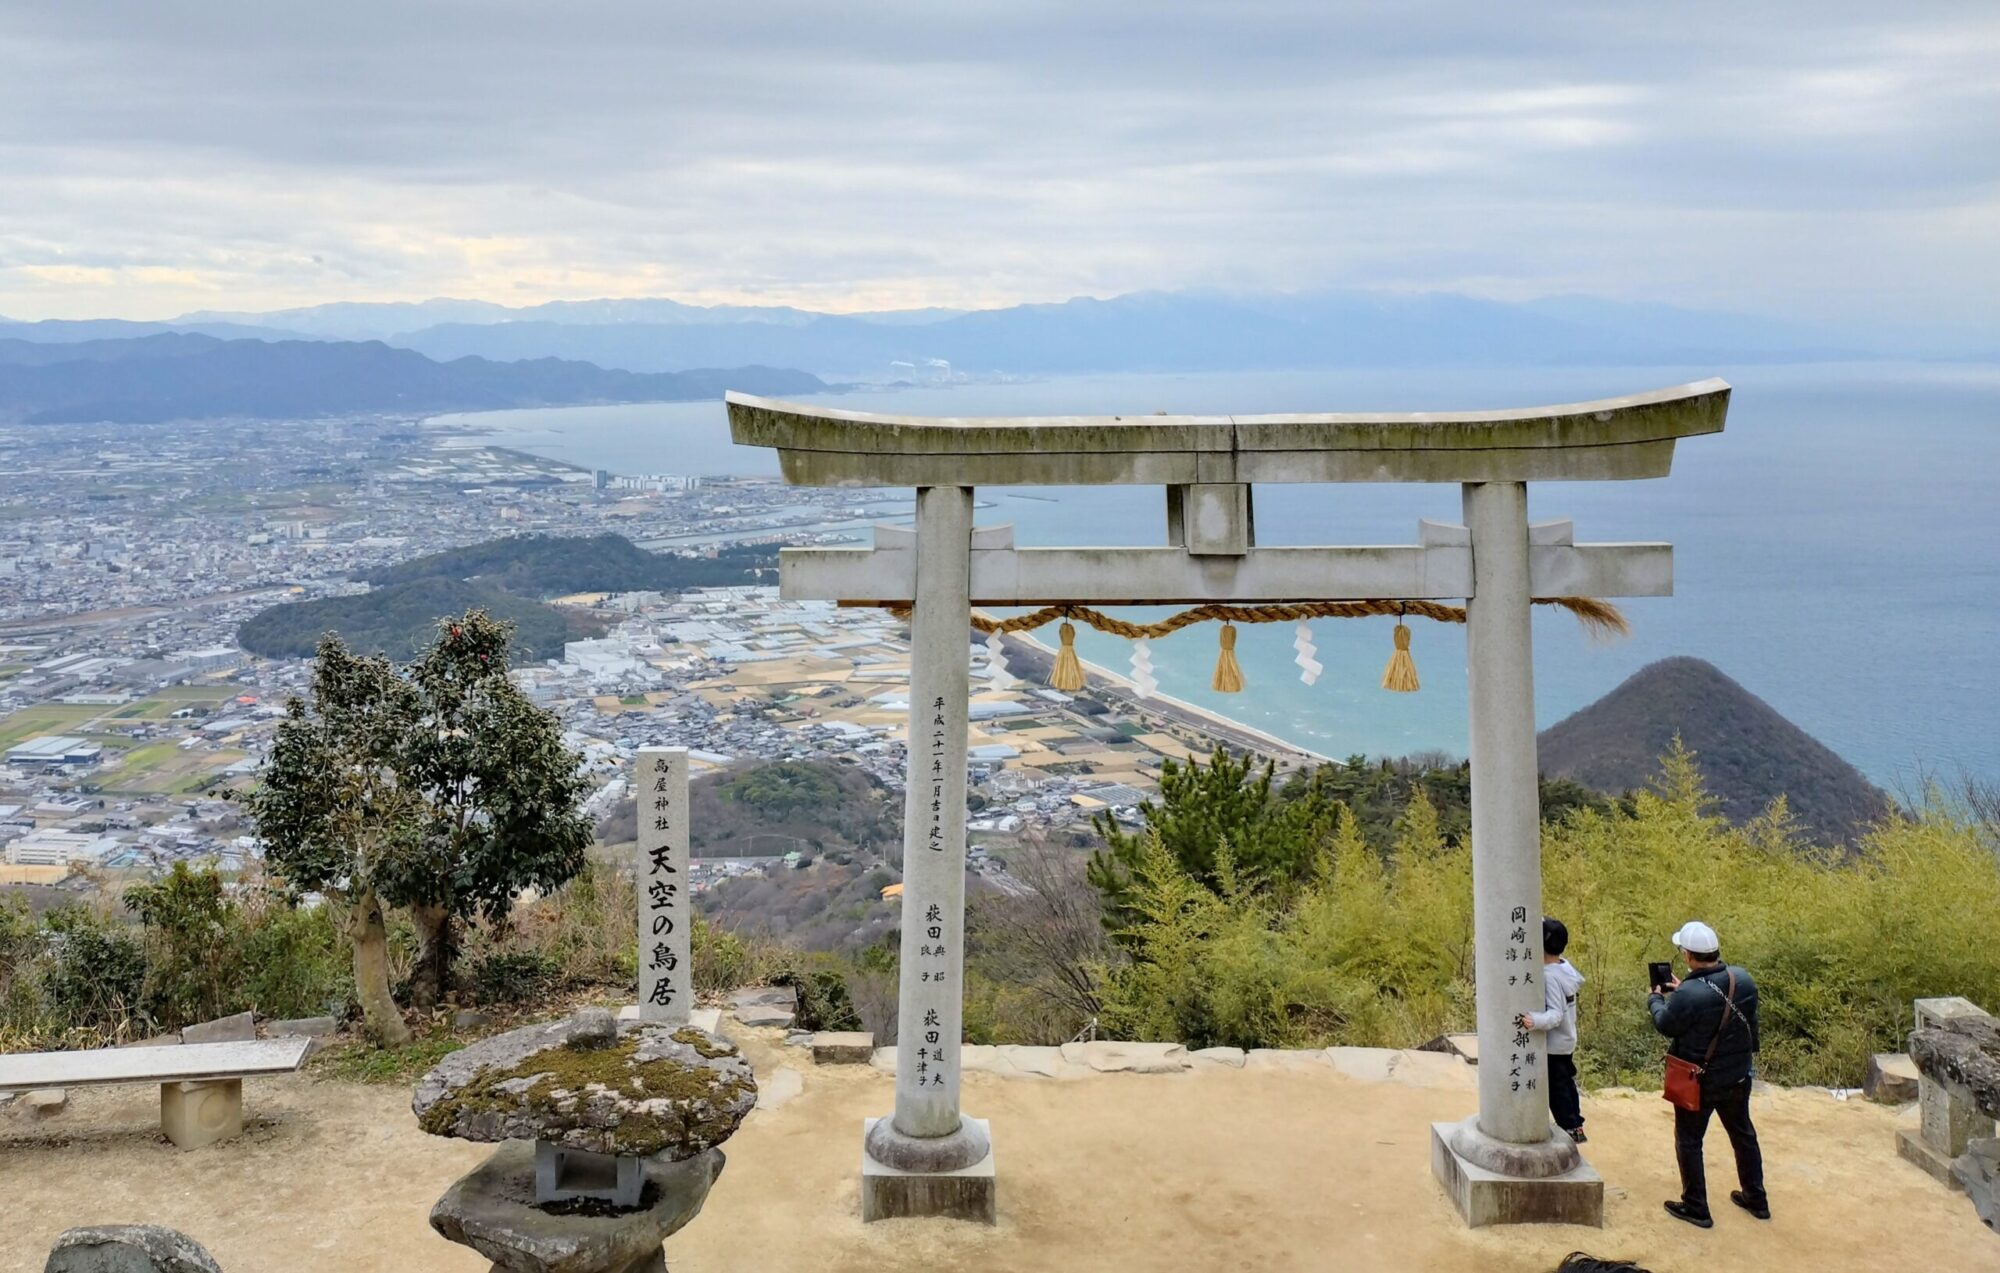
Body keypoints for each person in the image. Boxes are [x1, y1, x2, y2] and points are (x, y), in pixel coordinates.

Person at [1649, 919, 1768, 1228]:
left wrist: (1655, 999)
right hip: (1738, 1075)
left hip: (1699, 1081)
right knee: (1743, 1135)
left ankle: (1696, 1206)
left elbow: (1666, 1024)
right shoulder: (1742, 979)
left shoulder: (1689, 994)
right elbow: (1733, 1012)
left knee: (1689, 1141)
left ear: (1688, 955)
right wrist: (1684, 990)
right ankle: (1756, 1199)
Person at [1516, 916, 1587, 1144]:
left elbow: (1556, 1014)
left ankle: (1570, 1127)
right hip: (1567, 1038)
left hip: (1555, 1044)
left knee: (1557, 1090)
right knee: (1566, 1082)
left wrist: (1534, 1020)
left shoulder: (1549, 976)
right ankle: (1576, 1123)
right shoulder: (1564, 967)